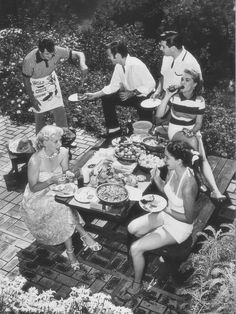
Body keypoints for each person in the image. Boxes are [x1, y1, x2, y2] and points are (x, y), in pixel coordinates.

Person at [123, 141, 200, 297]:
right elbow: (166, 189)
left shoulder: (188, 185)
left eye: (167, 157)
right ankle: (147, 250)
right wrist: (157, 179)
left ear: (179, 160)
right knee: (132, 228)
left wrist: (165, 209)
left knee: (135, 248)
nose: (164, 160)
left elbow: (189, 218)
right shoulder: (173, 170)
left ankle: (137, 284)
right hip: (167, 214)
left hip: (179, 227)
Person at [20, 125, 101, 270]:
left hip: (58, 191)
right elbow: (33, 187)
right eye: (56, 142)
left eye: (60, 141)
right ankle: (78, 241)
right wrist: (51, 181)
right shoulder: (35, 160)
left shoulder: (63, 152)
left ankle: (75, 245)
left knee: (65, 203)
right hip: (38, 196)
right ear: (44, 142)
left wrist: (69, 175)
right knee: (62, 207)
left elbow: (65, 171)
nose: (60, 144)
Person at [156, 68, 226, 200]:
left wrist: (192, 132)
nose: (183, 82)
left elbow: (198, 123)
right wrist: (167, 96)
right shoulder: (175, 98)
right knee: (177, 159)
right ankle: (172, 191)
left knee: (202, 158)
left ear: (194, 84)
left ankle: (215, 191)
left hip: (191, 131)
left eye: (187, 80)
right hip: (175, 132)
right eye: (182, 79)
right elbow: (159, 115)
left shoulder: (199, 101)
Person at [85, 40, 156, 139]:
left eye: (109, 55)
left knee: (145, 130)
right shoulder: (119, 66)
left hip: (145, 97)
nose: (108, 58)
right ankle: (114, 131)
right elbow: (113, 86)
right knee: (107, 98)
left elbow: (151, 84)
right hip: (131, 96)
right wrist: (95, 94)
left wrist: (132, 93)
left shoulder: (136, 64)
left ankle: (146, 135)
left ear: (117, 55)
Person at [22, 38, 88, 134]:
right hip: (36, 84)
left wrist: (83, 64)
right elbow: (26, 81)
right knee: (39, 113)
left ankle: (64, 137)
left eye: (52, 53)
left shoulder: (56, 50)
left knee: (59, 109)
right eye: (47, 54)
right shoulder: (29, 60)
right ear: (40, 51)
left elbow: (79, 54)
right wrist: (32, 99)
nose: (50, 56)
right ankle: (40, 141)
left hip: (50, 80)